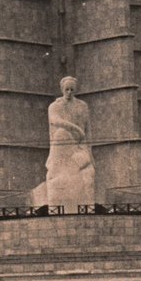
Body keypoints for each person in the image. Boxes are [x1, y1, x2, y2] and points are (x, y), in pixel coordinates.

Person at [45, 76, 95, 209]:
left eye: (72, 89)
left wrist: (89, 152)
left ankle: (88, 208)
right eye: (66, 89)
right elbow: (55, 120)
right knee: (62, 133)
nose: (69, 92)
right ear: (62, 89)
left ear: (75, 90)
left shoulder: (82, 106)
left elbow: (87, 130)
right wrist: (75, 128)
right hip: (62, 146)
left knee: (88, 175)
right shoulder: (54, 106)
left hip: (78, 146)